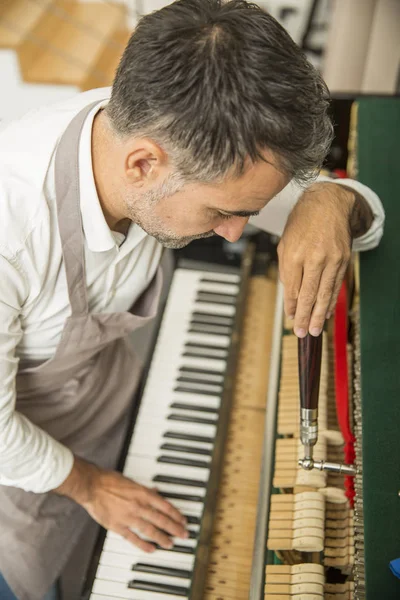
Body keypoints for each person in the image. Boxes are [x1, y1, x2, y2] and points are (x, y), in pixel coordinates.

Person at [0, 1, 384, 598]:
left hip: (111, 401)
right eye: (224, 213)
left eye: (247, 212)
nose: (237, 232)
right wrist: (89, 485)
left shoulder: (178, 132)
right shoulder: (10, 231)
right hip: (20, 468)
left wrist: (329, 203)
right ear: (143, 164)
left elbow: (367, 216)